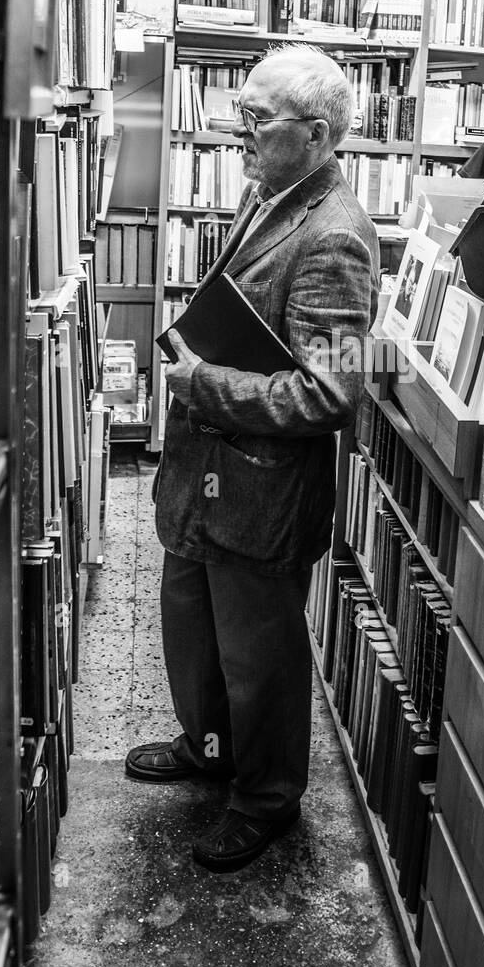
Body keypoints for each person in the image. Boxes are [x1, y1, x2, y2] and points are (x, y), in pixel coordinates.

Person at [125, 46, 380, 872]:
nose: (238, 128)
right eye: (242, 110)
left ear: (312, 135)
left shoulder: (337, 238)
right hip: (206, 479)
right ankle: (208, 748)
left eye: (257, 118)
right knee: (191, 627)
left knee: (258, 655)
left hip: (261, 494)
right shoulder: (264, 191)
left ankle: (265, 798)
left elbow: (329, 397)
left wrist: (204, 384)